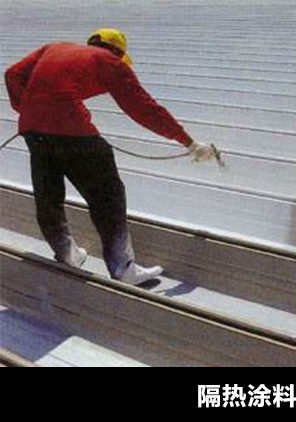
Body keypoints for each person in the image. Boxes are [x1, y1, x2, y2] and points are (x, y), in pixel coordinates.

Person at [4, 28, 216, 285]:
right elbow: (143, 107)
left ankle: (67, 254)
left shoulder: (55, 48)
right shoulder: (109, 61)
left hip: (32, 129)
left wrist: (31, 109)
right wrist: (189, 142)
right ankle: (123, 268)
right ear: (117, 52)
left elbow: (12, 74)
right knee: (108, 195)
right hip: (71, 130)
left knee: (49, 195)